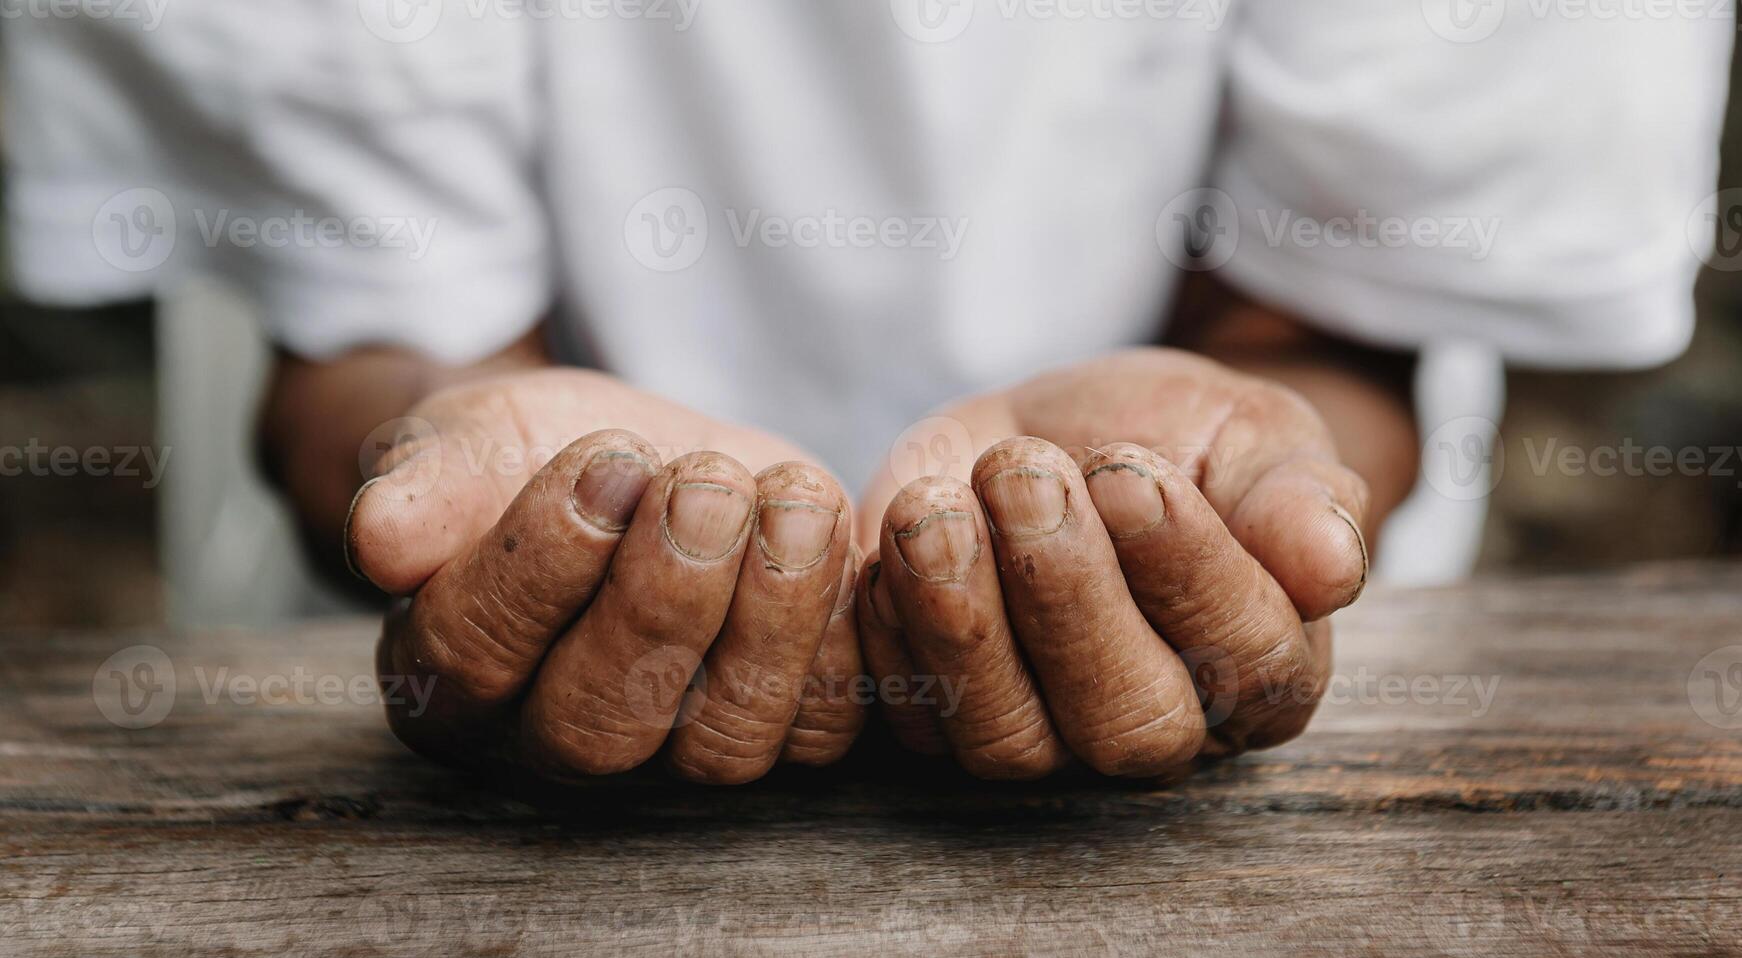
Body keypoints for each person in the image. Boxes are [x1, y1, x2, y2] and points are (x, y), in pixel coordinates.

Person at [4, 2, 1730, 783]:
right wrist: (455, 445)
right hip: (400, 770)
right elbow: (372, 328)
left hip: (1255, 776)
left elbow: (1341, 318)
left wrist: (1250, 449)